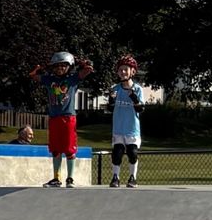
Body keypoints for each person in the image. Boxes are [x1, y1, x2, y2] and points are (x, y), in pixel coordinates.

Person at [31, 50, 94, 188]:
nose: (60, 69)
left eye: (63, 66)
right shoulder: (49, 80)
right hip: (54, 118)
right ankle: (56, 178)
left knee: (69, 148)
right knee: (55, 149)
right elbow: (33, 76)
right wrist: (38, 68)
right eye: (57, 66)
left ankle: (70, 178)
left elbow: (88, 70)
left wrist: (82, 63)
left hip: (68, 117)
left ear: (69, 66)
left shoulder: (72, 79)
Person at [107, 55, 148, 189]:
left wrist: (134, 98)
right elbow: (109, 108)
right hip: (119, 127)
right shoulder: (115, 89)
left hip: (132, 128)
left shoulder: (138, 89)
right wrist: (111, 100)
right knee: (117, 153)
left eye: (126, 69)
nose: (123, 72)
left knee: (132, 153)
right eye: (121, 70)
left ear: (133, 72)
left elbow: (141, 108)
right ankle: (115, 177)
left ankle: (133, 177)